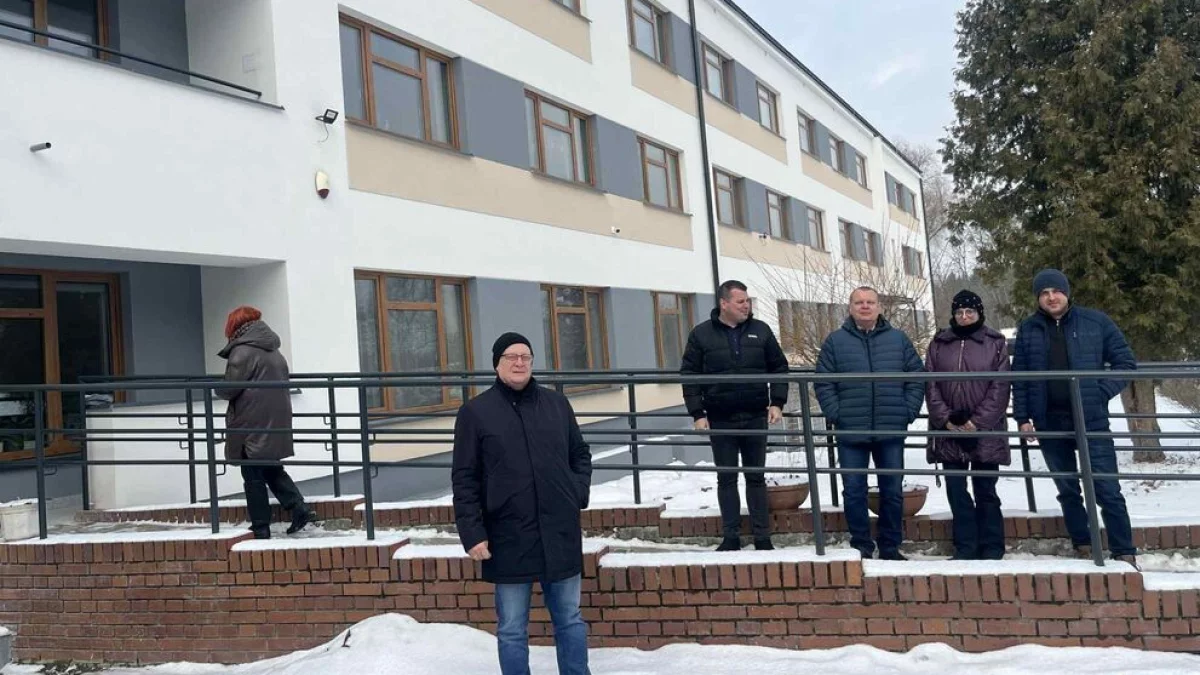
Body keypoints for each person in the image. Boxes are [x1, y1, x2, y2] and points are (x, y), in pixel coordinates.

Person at [452, 332, 592, 675]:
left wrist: (575, 493)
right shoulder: (475, 413)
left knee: (570, 619)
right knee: (512, 628)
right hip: (508, 534)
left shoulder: (556, 404)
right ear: (496, 364)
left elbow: (580, 454)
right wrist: (472, 532)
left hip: (559, 530)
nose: (519, 363)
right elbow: (465, 478)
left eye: (525, 357)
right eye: (511, 357)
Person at [1012, 269, 1138, 565]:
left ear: (1067, 293)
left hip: (1091, 419)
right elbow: (1020, 377)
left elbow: (1125, 363)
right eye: (1044, 293)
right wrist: (1023, 418)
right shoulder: (1029, 328)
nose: (1051, 297)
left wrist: (1099, 391)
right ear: (1038, 298)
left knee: (1107, 487)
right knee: (1067, 488)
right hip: (1049, 421)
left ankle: (1124, 550)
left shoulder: (1096, 322)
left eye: (1056, 291)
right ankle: (1083, 543)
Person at [815, 287, 924, 561]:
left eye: (870, 302)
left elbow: (916, 377)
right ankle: (861, 546)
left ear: (879, 307)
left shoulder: (898, 340)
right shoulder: (835, 341)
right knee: (854, 491)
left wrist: (907, 411)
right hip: (851, 430)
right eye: (859, 302)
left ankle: (890, 547)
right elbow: (824, 382)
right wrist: (836, 414)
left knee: (892, 491)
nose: (865, 306)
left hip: (890, 428)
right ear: (850, 307)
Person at [680, 280, 789, 552]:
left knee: (756, 477)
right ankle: (731, 538)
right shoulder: (701, 334)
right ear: (724, 303)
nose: (746, 306)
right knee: (726, 478)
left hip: (755, 415)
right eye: (741, 301)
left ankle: (762, 538)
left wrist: (777, 403)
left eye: (748, 301)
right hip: (720, 417)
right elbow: (689, 376)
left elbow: (779, 367)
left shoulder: (761, 330)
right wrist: (697, 413)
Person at [216, 306, 317, 540]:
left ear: (234, 326)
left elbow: (230, 389)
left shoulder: (242, 352)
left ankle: (261, 526)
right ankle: (299, 508)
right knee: (271, 467)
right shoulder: (273, 350)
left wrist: (215, 388)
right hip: (274, 418)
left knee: (252, 473)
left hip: (251, 421)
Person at [925, 290, 1011, 560]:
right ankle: (965, 547)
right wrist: (945, 419)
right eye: (959, 312)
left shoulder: (995, 342)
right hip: (949, 431)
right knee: (956, 490)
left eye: (969, 311)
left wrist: (978, 422)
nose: (964, 316)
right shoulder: (939, 343)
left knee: (986, 489)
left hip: (986, 430)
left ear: (979, 313)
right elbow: (930, 384)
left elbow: (1000, 386)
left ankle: (992, 547)